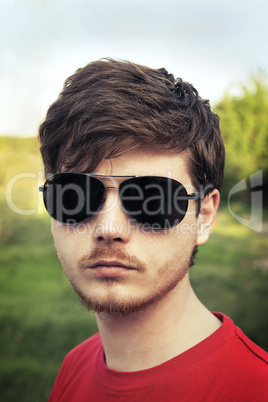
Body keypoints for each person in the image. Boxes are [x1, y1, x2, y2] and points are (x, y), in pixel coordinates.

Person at [38, 58, 268, 401]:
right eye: (76, 194)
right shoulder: (73, 367)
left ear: (204, 215)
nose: (109, 227)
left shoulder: (255, 388)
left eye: (151, 198)